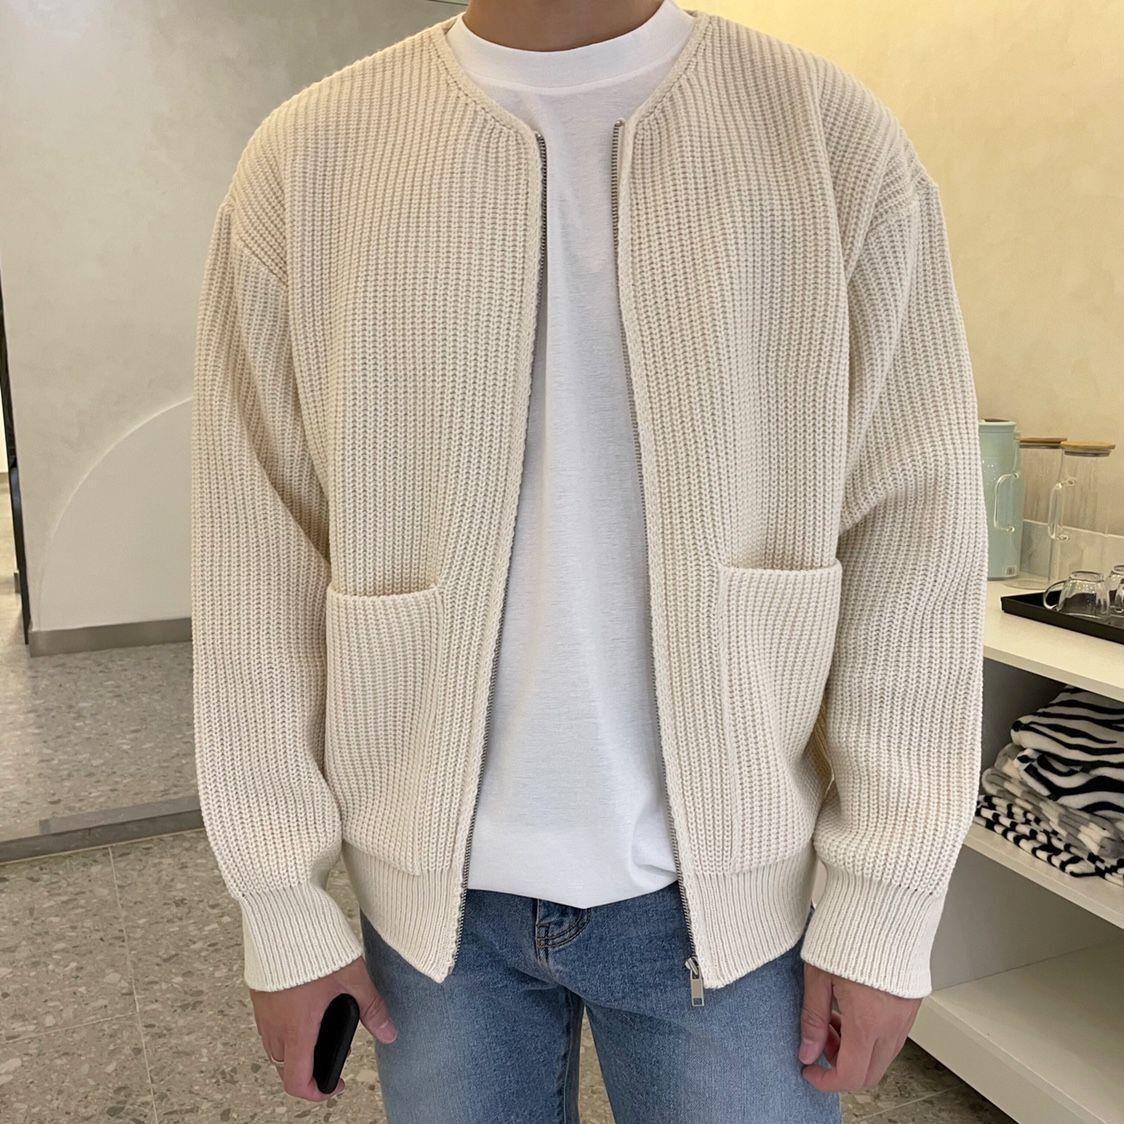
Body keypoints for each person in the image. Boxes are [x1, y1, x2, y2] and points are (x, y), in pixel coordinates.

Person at [190, 1, 989, 1119]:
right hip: (430, 913)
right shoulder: (308, 157)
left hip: (730, 901)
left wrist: (885, 899)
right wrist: (281, 904)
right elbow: (254, 555)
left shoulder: (825, 135)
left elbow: (914, 545)